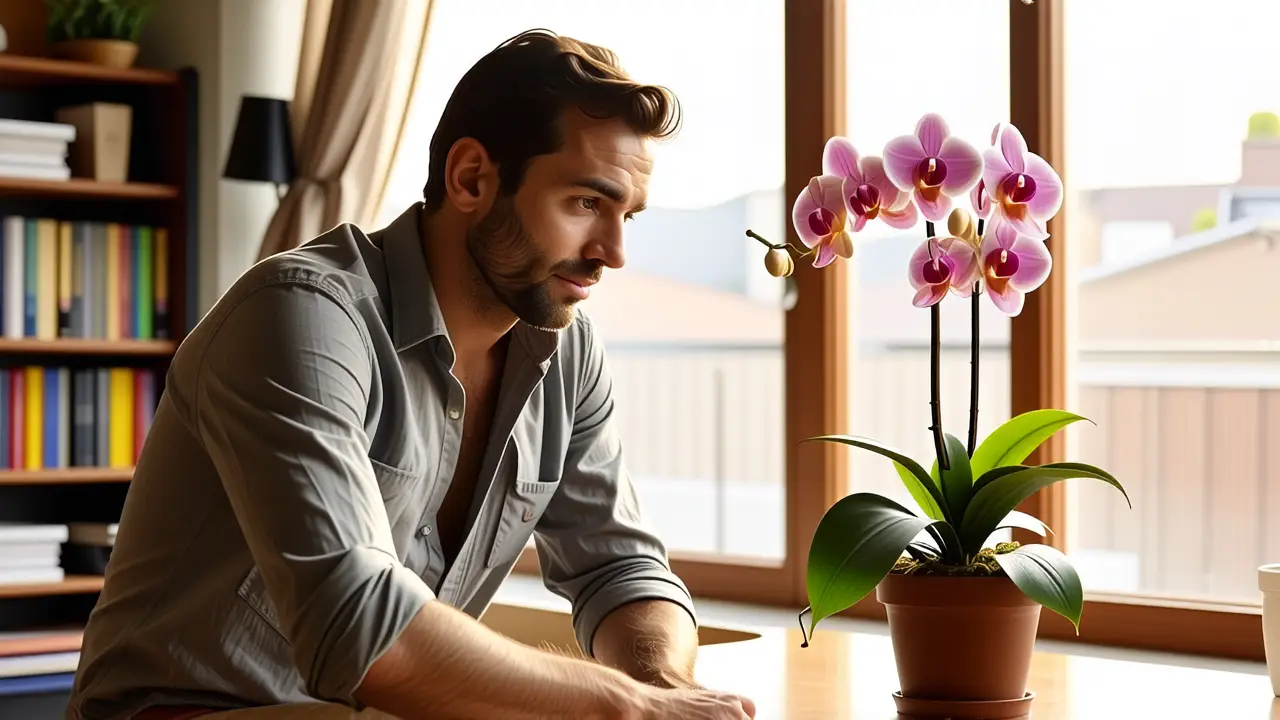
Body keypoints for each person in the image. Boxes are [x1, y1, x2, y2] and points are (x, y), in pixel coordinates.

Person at [66, 28, 757, 720]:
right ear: (472, 178)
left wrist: (664, 687)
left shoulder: (565, 352)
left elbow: (622, 569)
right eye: (585, 203)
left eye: (626, 215)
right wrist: (627, 706)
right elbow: (358, 625)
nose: (614, 251)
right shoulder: (299, 315)